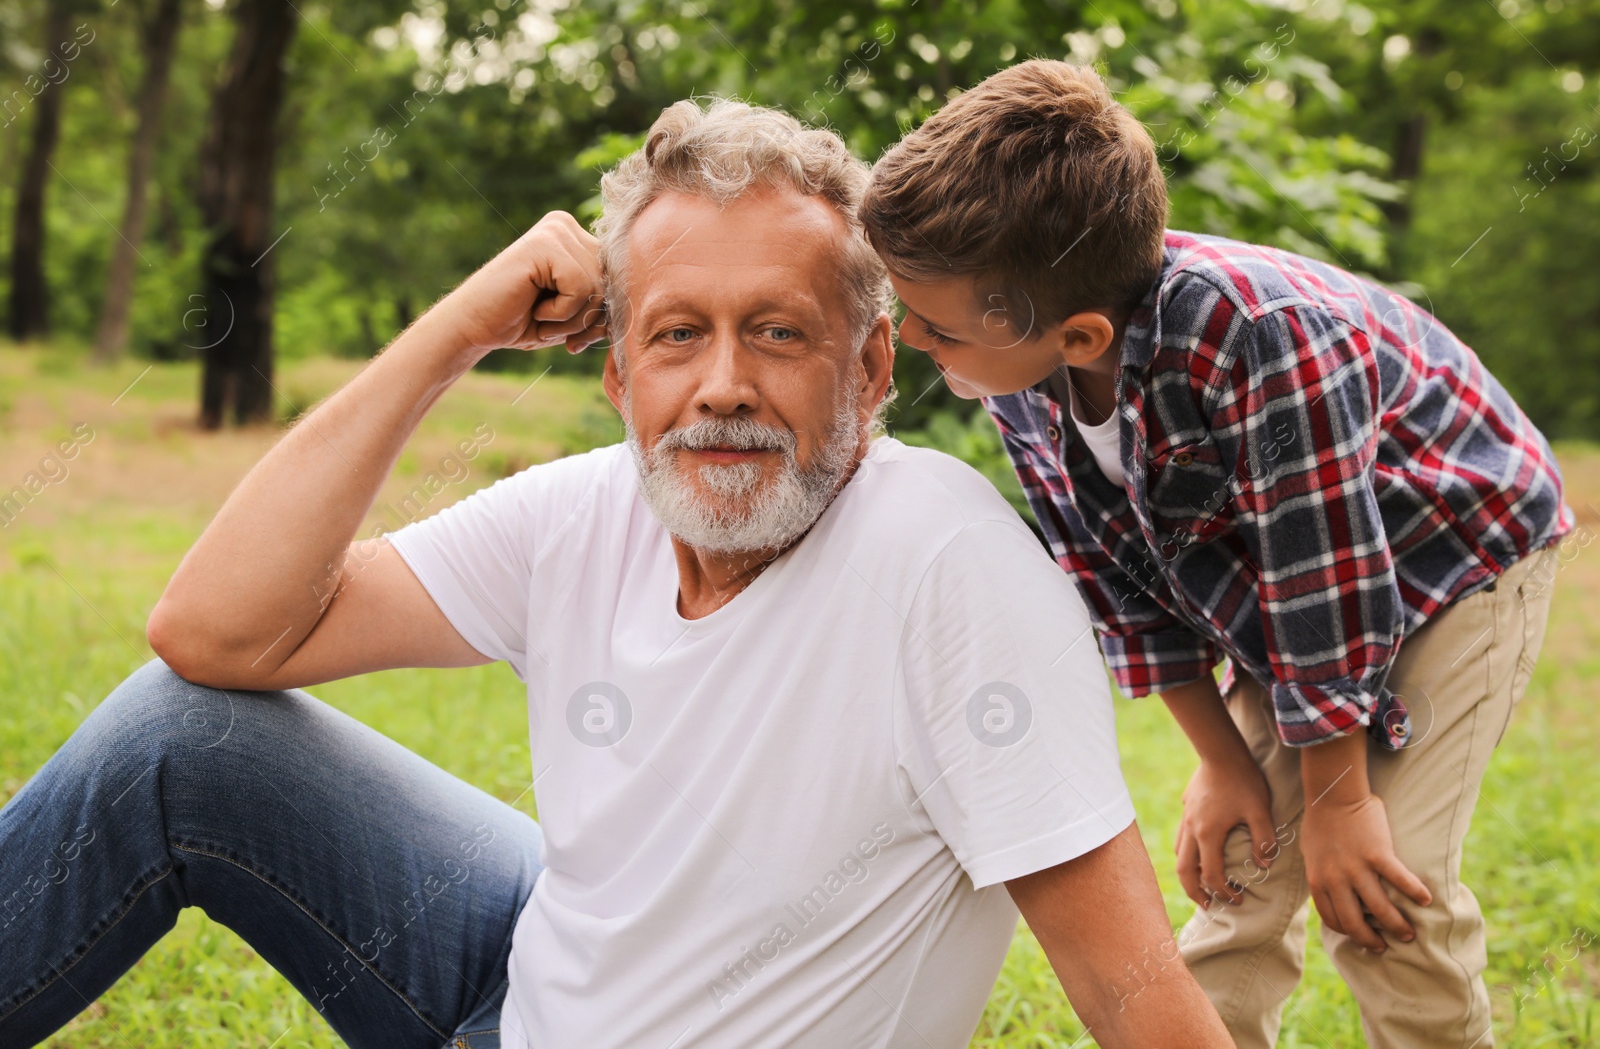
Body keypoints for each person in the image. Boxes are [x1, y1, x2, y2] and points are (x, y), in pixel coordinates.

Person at [0, 98, 1232, 1048]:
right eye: (678, 332)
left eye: (779, 331)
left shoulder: (948, 570)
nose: (723, 384)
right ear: (617, 374)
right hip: (533, 971)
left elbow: (1135, 995)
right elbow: (216, 632)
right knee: (180, 736)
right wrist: (459, 327)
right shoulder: (593, 507)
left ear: (868, 373)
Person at [860, 59, 1571, 1049]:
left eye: (932, 326)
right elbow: (1115, 575)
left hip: (1452, 549)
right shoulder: (1021, 375)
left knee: (1375, 876)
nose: (910, 336)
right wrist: (1221, 759)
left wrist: (1339, 800)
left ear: (1078, 331)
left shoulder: (1259, 336)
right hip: (1300, 581)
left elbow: (1321, 571)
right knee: (1242, 861)